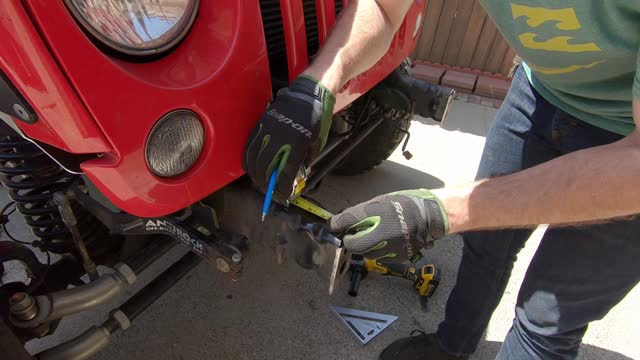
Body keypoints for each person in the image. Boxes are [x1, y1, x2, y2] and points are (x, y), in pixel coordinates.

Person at [244, 1, 640, 359]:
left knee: (546, 319)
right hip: (540, 94)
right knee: (486, 246)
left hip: (626, 139)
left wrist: (439, 211)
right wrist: (316, 88)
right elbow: (382, 8)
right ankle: (454, 346)